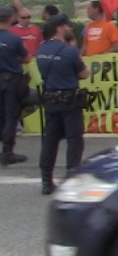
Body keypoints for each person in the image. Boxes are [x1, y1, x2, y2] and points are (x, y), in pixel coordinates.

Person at [35, 14, 89, 194]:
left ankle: (46, 181)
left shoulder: (41, 50)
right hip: (69, 100)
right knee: (74, 140)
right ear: (59, 28)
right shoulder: (69, 51)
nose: (70, 28)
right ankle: (72, 177)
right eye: (67, 26)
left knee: (50, 140)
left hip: (50, 100)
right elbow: (83, 74)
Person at [0, 6, 29, 167]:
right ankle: (7, 152)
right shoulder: (14, 39)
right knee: (11, 117)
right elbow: (26, 59)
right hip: (11, 81)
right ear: (11, 18)